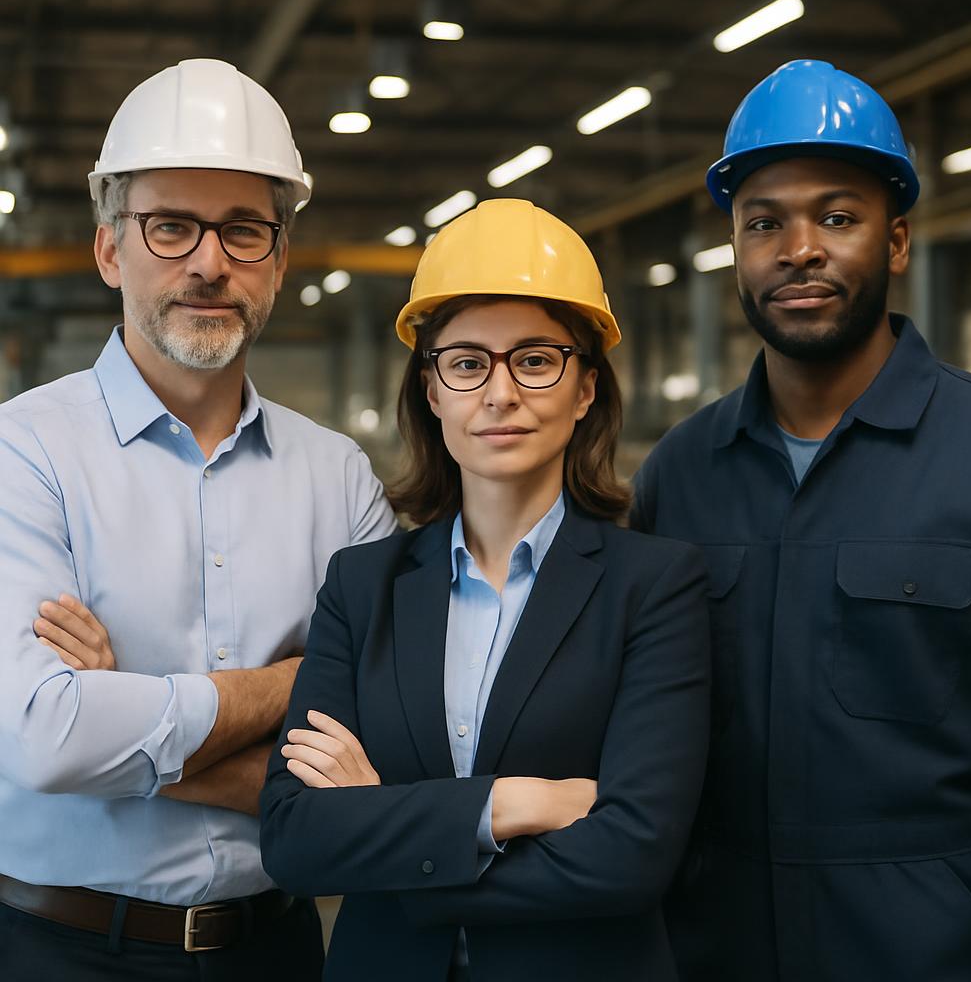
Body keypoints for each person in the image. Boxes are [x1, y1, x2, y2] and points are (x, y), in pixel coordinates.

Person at [0, 58, 395, 981]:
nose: (209, 262)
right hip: (59, 951)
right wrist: (293, 683)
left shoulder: (336, 477)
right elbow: (45, 737)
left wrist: (126, 710)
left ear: (280, 259)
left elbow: (393, 744)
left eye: (244, 230)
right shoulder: (23, 454)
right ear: (109, 250)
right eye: (170, 226)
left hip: (280, 949)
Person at [632, 58, 971, 982]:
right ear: (734, 247)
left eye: (837, 217)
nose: (797, 248)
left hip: (932, 954)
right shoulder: (681, 473)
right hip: (714, 949)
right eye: (763, 222)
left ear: (896, 243)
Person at [259, 198, 711, 982]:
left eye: (535, 359)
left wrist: (394, 841)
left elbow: (633, 857)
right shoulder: (364, 589)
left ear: (586, 389)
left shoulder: (655, 587)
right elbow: (297, 839)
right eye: (467, 363)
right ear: (432, 393)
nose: (499, 393)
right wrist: (511, 804)